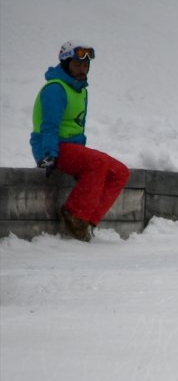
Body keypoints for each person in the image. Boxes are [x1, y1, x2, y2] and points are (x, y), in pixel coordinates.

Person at [30, 41, 130, 242]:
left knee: (120, 172)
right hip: (53, 147)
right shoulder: (56, 89)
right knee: (98, 162)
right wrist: (49, 155)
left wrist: (81, 160)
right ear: (66, 64)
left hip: (72, 148)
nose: (82, 69)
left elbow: (77, 128)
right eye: (77, 64)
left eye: (85, 65)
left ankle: (89, 222)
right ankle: (75, 215)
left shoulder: (80, 90)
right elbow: (49, 126)